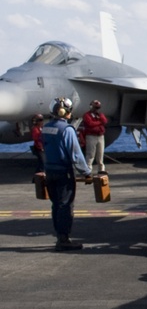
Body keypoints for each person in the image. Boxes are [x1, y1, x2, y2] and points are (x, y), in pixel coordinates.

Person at [40, 97, 90, 251]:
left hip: (49, 171)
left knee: (56, 205)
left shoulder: (46, 128)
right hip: (63, 172)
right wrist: (86, 172)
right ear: (65, 111)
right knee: (65, 206)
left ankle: (59, 236)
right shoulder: (67, 130)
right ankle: (63, 239)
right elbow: (75, 154)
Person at [78, 99, 108, 175]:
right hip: (91, 136)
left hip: (100, 136)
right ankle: (88, 169)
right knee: (90, 154)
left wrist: (100, 118)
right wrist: (99, 122)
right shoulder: (87, 115)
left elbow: (105, 121)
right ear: (91, 107)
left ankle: (101, 169)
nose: (96, 109)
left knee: (100, 153)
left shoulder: (100, 115)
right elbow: (90, 123)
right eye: (95, 107)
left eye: (97, 108)